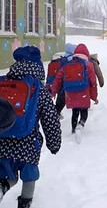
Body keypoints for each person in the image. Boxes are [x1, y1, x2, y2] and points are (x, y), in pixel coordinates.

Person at [0, 46, 61, 208]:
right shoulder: (38, 88)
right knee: (29, 175)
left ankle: (2, 186)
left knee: (6, 173)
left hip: (2, 138)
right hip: (28, 143)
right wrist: (54, 143)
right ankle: (25, 203)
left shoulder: (3, 83)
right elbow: (50, 118)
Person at [52, 44, 98, 139]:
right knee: (84, 112)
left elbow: (58, 79)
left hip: (71, 93)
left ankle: (73, 130)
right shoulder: (88, 65)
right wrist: (94, 97)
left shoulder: (67, 65)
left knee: (75, 111)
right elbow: (93, 82)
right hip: (84, 92)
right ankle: (80, 125)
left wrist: (53, 92)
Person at [45, 43, 77, 120]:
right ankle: (55, 113)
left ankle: (54, 112)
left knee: (57, 98)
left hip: (55, 81)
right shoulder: (70, 59)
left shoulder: (61, 59)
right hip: (63, 83)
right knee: (62, 99)